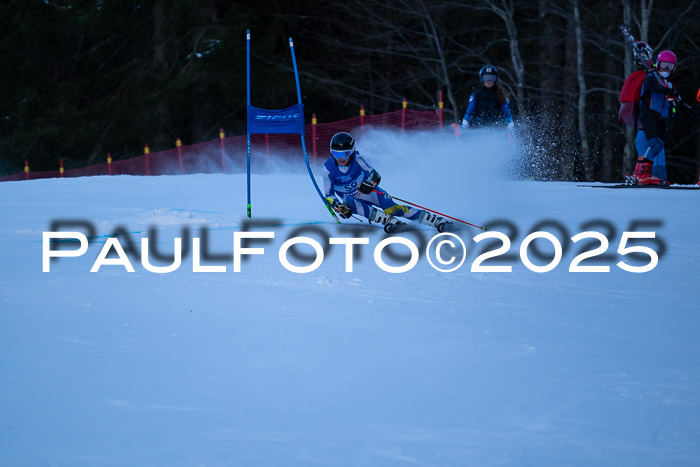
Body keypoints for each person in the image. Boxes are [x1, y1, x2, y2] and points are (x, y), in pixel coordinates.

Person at [322, 132, 451, 233]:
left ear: (352, 152)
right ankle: (390, 221)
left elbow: (375, 175)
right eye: (335, 154)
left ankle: (436, 221)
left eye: (345, 154)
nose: (340, 159)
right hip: (351, 200)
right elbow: (329, 195)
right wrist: (339, 207)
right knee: (350, 202)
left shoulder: (358, 159)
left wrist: (370, 184)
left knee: (392, 209)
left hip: (366, 192)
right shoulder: (328, 169)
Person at [630, 50, 680, 185]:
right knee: (653, 144)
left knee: (658, 146)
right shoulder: (652, 77)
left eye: (670, 66)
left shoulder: (670, 84)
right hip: (649, 115)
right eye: (664, 65)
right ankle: (643, 174)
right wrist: (666, 91)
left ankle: (640, 173)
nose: (666, 69)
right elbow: (654, 88)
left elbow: (673, 103)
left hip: (661, 118)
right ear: (658, 64)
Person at [461, 65, 514, 131]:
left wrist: (511, 129)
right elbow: (469, 112)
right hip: (478, 128)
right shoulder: (476, 94)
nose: (489, 81)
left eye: (492, 78)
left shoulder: (501, 94)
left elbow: (507, 114)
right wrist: (464, 127)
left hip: (496, 129)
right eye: (486, 78)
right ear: (482, 79)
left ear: (495, 79)